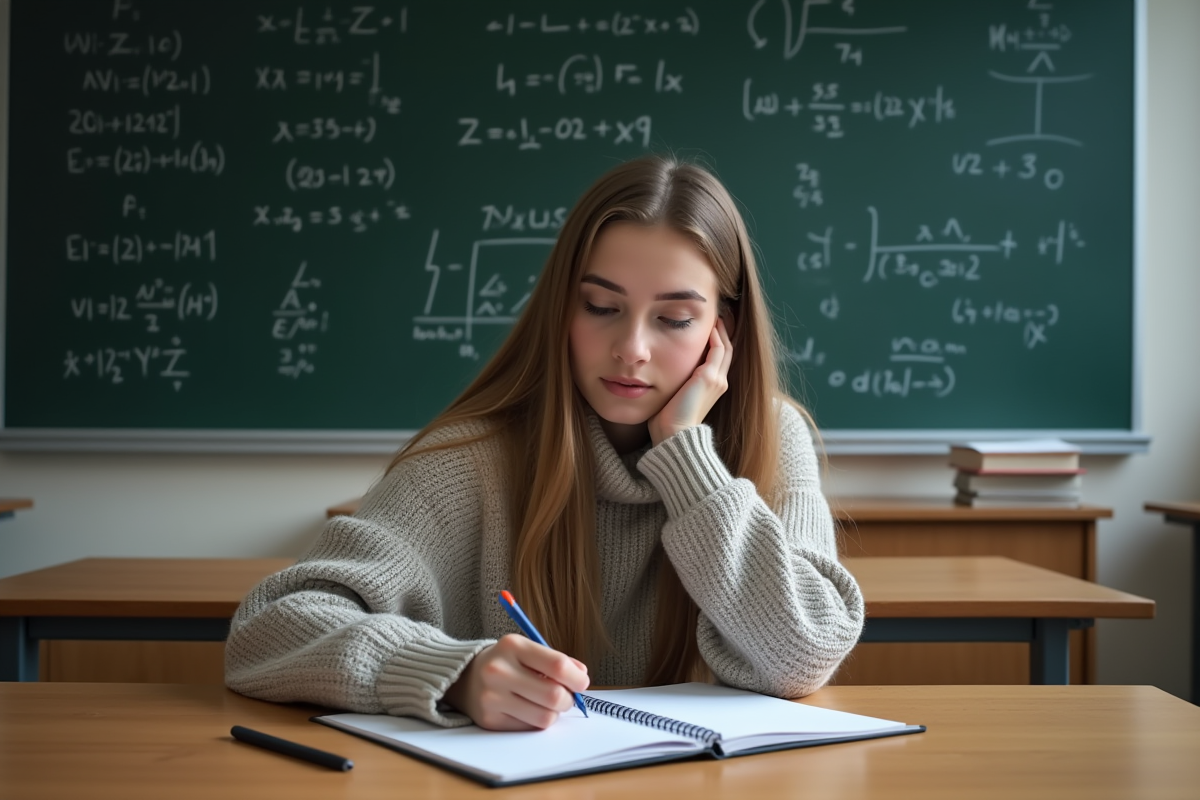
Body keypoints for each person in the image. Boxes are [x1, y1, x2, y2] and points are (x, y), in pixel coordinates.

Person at [225, 154, 864, 731]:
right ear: (562, 307)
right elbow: (264, 633)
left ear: (719, 334)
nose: (633, 350)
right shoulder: (471, 461)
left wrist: (687, 456)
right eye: (600, 306)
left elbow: (804, 654)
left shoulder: (770, 435)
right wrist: (452, 674)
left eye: (674, 319)